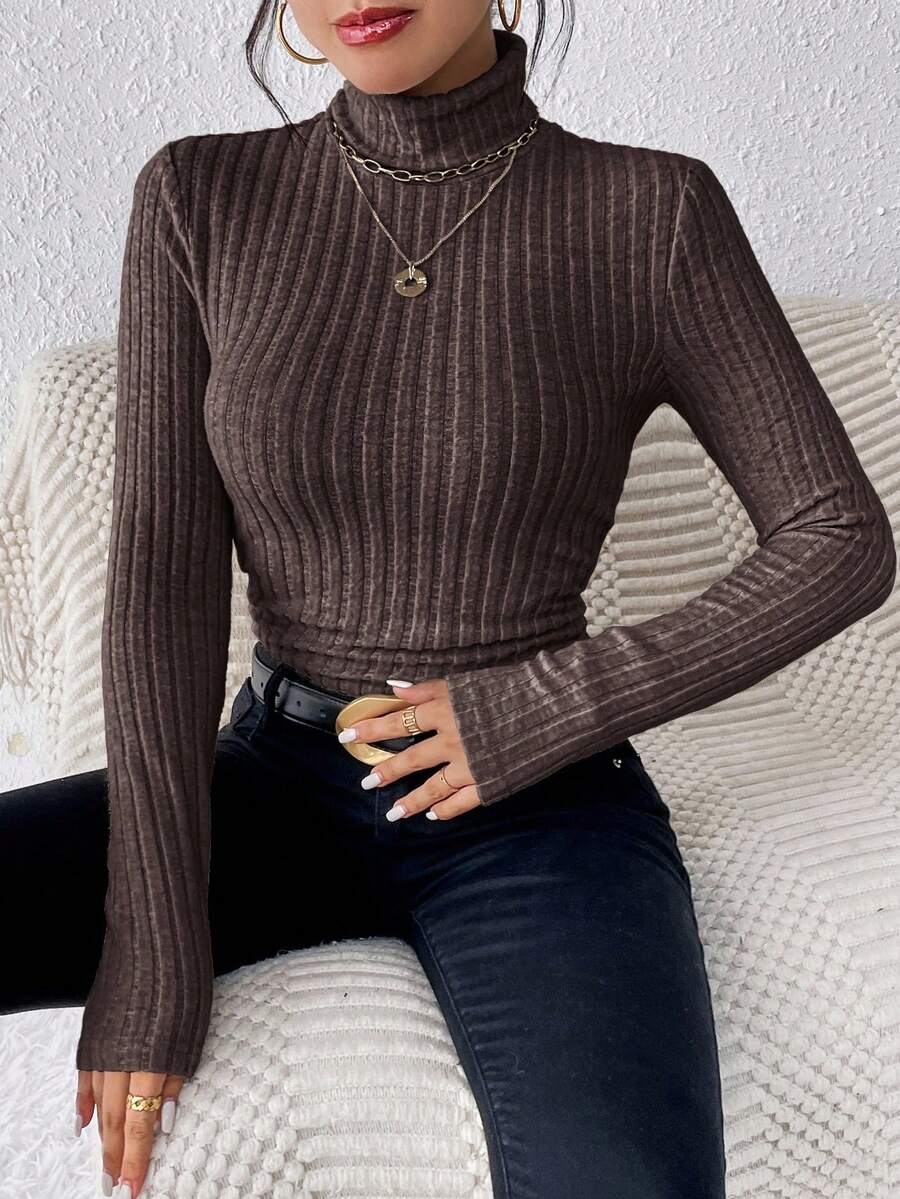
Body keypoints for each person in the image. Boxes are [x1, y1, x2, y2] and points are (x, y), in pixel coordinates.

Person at [1, 2, 895, 1197]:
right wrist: (152, 945)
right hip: (276, 779)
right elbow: (165, 578)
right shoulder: (199, 196)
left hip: (542, 804)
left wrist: (534, 709)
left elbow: (840, 537)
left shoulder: (651, 212)